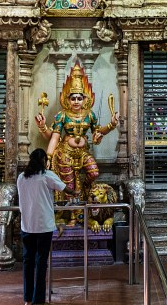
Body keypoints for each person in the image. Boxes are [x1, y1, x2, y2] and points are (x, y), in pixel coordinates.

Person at [35, 62, 120, 225]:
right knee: (69, 185)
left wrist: (111, 125)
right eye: (73, 98)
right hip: (65, 152)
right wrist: (49, 155)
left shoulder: (90, 115)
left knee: (93, 172)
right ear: (67, 100)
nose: (76, 101)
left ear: (84, 99)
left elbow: (98, 132)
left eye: (79, 98)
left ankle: (85, 190)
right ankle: (73, 216)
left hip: (83, 152)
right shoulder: (62, 115)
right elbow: (54, 137)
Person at [17, 148, 78, 305]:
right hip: (43, 225)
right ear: (44, 160)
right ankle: (39, 301)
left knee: (28, 261)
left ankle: (28, 299)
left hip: (27, 225)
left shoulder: (21, 177)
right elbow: (66, 189)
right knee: (41, 262)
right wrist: (75, 192)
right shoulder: (47, 175)